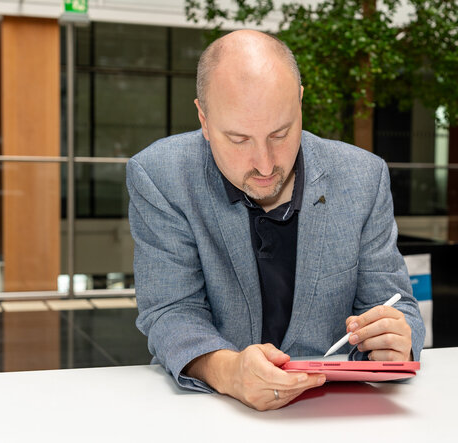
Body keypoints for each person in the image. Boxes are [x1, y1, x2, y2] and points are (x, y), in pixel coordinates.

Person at [126, 30, 425, 411]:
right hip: (207, 410)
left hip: (337, 412)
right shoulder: (160, 175)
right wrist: (230, 371)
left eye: (281, 133)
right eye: (238, 140)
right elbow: (170, 310)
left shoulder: (363, 177)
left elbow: (399, 308)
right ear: (203, 118)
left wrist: (397, 339)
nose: (265, 165)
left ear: (300, 101)